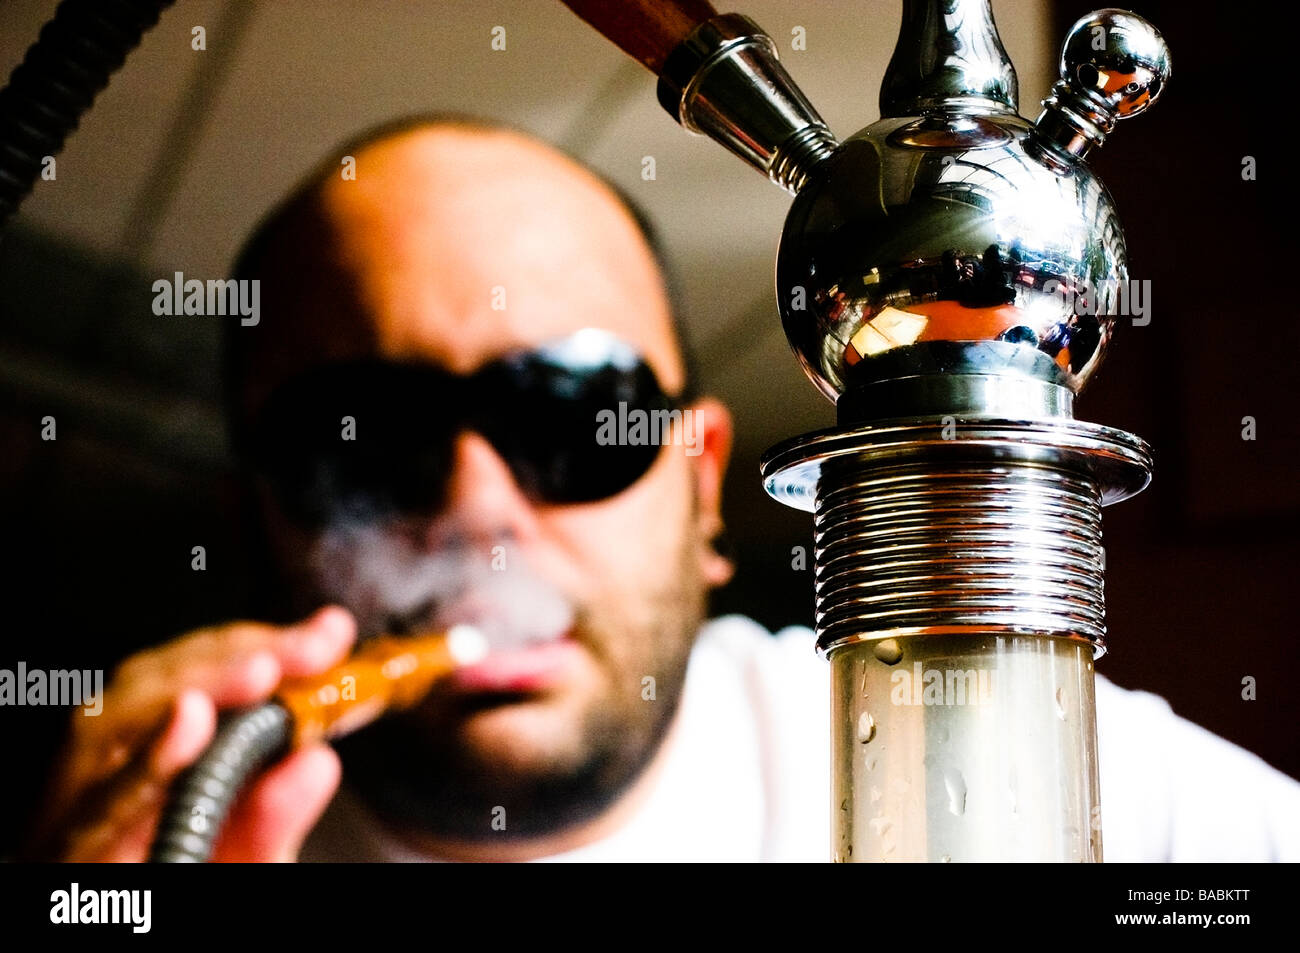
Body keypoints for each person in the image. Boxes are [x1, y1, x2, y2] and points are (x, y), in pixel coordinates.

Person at [27, 116, 1300, 863]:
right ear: (257, 510)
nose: (480, 512)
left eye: (570, 412)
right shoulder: (142, 851)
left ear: (699, 491)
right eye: (364, 436)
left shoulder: (1026, 767)